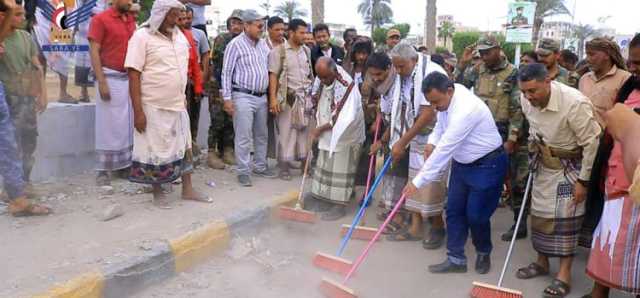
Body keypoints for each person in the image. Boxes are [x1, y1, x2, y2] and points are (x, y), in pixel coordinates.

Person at [403, 72, 508, 274]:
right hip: (462, 164)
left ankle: (483, 251)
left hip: (487, 164)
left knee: (476, 215)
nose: (434, 107)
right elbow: (441, 125)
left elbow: (445, 149)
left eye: (436, 101)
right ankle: (456, 258)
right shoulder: (449, 97)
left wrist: (417, 181)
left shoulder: (466, 109)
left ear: (449, 91)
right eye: (431, 102)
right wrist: (431, 142)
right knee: (453, 211)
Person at [515, 63, 601, 298]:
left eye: (533, 91)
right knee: (541, 215)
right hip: (543, 165)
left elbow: (592, 144)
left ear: (547, 82)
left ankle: (564, 275)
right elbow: (533, 127)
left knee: (565, 219)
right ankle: (542, 262)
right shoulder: (526, 99)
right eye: (524, 92)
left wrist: (583, 181)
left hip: (569, 170)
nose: (528, 97)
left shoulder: (574, 103)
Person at [125, 0, 211, 208]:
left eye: (178, 15)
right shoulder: (141, 37)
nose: (177, 20)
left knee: (185, 146)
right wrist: (138, 112)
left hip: (178, 104)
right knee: (155, 150)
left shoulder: (180, 37)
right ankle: (158, 192)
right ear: (160, 14)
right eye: (173, 15)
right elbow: (133, 74)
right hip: (152, 106)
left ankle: (187, 189)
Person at [371, 42, 449, 247]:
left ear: (414, 60)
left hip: (434, 135)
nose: (397, 71)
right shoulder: (404, 74)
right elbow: (400, 108)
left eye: (401, 67)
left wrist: (402, 142)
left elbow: (428, 113)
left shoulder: (430, 72)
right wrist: (390, 138)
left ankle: (438, 227)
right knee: (414, 181)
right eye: (395, 67)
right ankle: (415, 226)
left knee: (431, 183)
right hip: (414, 135)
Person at [582, 34, 640, 298]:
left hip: (636, 184)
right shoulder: (631, 86)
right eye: (632, 61)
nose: (634, 68)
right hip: (615, 178)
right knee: (606, 238)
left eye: (639, 62)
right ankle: (599, 292)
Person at [456, 35, 528, 242]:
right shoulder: (477, 70)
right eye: (482, 53)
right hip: (480, 132)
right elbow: (456, 87)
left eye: (488, 52)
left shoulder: (514, 73)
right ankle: (477, 218)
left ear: (498, 49)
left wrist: (512, 139)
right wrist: (462, 63)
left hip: (506, 130)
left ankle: (519, 222)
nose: (484, 56)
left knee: (516, 180)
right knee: (481, 177)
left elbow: (517, 109)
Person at [0, 0, 50, 216]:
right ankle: (12, 189)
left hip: (24, 96)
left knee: (27, 139)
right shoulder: (3, 38)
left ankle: (22, 184)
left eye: (23, 15)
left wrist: (42, 93)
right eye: (16, 14)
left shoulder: (25, 37)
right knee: (11, 143)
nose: (21, 19)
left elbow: (37, 66)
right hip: (9, 97)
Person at [303, 57, 364, 221]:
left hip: (346, 132)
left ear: (335, 72)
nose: (322, 80)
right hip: (327, 127)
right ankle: (323, 198)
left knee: (341, 168)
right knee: (326, 162)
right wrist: (316, 121)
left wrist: (318, 130)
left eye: (326, 77)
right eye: (320, 77)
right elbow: (314, 98)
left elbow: (340, 118)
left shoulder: (346, 86)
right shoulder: (321, 77)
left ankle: (339, 205)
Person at [221, 9, 277, 186]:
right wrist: (227, 99)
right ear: (247, 25)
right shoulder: (235, 45)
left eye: (263, 25)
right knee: (244, 135)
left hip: (261, 97)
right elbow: (226, 72)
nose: (262, 29)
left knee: (261, 134)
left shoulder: (263, 45)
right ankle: (243, 171)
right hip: (242, 95)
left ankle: (260, 166)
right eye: (259, 25)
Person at [88, 0, 136, 186]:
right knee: (107, 124)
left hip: (128, 78)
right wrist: (102, 82)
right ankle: (103, 170)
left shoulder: (131, 19)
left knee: (125, 124)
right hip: (109, 77)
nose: (130, 2)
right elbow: (94, 51)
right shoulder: (100, 19)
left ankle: (123, 166)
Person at [268, 18, 313, 181]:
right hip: (288, 99)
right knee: (286, 133)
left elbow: (310, 74)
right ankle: (284, 168)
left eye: (306, 32)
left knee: (305, 134)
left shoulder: (306, 51)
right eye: (301, 32)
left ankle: (305, 166)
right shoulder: (278, 52)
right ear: (291, 33)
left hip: (305, 98)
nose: (304, 35)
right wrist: (273, 99)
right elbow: (273, 76)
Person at [206, 9, 242, 169]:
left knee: (230, 120)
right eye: (234, 23)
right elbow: (219, 66)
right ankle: (211, 153)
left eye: (240, 23)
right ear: (229, 25)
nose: (236, 26)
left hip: (235, 86)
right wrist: (222, 90)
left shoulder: (244, 41)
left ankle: (227, 150)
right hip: (218, 85)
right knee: (217, 119)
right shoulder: (223, 39)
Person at [579, 37, 632, 127]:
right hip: (584, 136)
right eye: (587, 54)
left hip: (610, 137)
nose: (587, 59)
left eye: (592, 54)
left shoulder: (625, 78)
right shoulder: (584, 78)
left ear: (607, 55)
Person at [178, 8, 205, 157]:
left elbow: (195, 63)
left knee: (188, 118)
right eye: (180, 19)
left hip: (187, 84)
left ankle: (186, 153)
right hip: (169, 85)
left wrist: (198, 88)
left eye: (186, 19)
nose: (183, 22)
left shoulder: (189, 35)